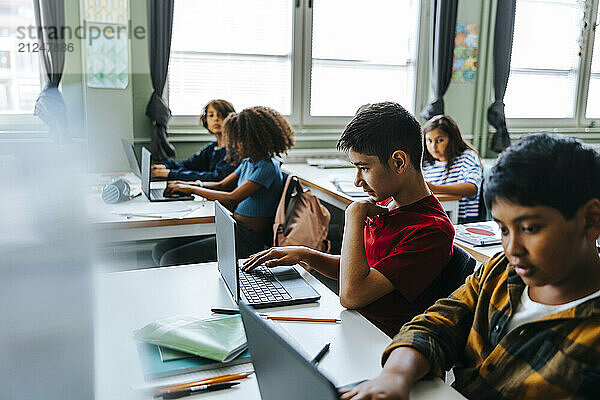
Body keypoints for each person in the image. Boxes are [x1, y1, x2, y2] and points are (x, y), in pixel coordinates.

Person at [342, 133, 600, 400]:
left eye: (530, 229)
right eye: (503, 229)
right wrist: (394, 377)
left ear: (591, 220)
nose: (512, 249)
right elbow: (436, 323)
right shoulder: (502, 271)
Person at [243, 102, 455, 337]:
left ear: (398, 162)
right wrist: (305, 254)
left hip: (383, 344)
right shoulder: (386, 205)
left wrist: (354, 215)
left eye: (363, 168)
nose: (357, 181)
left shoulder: (431, 229)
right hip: (355, 326)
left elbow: (352, 294)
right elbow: (361, 270)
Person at [156, 106, 295, 266]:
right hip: (234, 227)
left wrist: (190, 189)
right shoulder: (248, 162)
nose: (233, 146)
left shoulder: (267, 167)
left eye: (238, 141)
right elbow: (221, 185)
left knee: (170, 258)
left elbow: (231, 198)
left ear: (254, 140)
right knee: (161, 249)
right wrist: (185, 183)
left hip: (248, 238)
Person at [151, 99, 237, 181]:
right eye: (211, 115)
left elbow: (216, 177)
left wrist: (170, 174)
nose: (215, 119)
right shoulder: (212, 147)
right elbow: (189, 164)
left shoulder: (234, 149)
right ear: (205, 120)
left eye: (221, 115)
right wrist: (166, 166)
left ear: (230, 119)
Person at [422, 115, 483, 223]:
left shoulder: (467, 157)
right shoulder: (426, 164)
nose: (433, 146)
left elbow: (472, 188)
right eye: (429, 141)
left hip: (460, 221)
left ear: (452, 139)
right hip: (433, 219)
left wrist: (435, 188)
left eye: (440, 140)